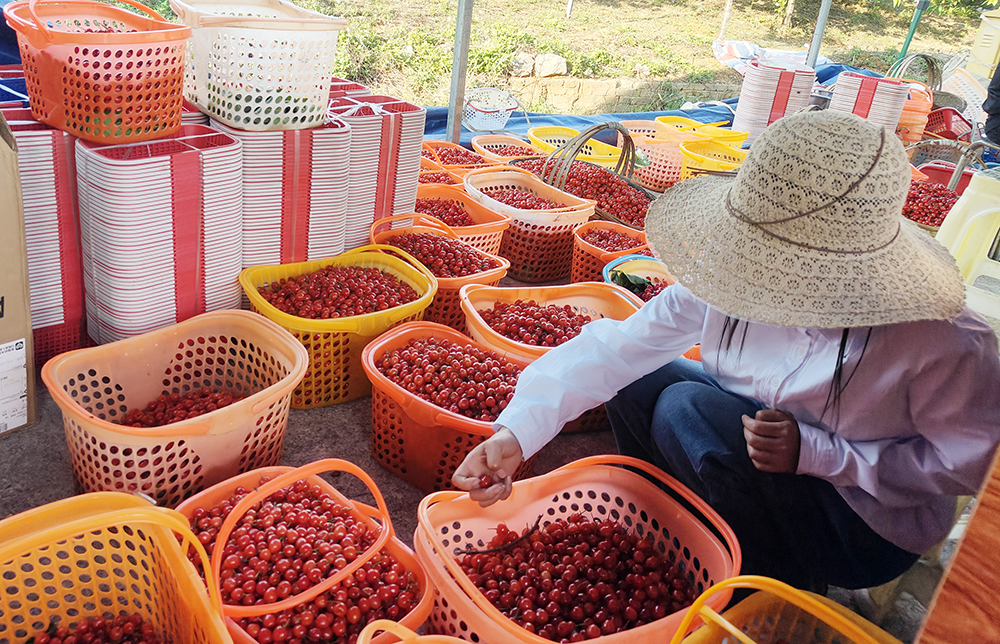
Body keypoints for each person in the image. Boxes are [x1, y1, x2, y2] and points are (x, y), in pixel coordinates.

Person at [452, 110, 1000, 592]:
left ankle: (770, 580)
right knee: (641, 379)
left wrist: (817, 453)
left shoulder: (943, 341)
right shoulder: (735, 274)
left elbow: (968, 467)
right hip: (753, 444)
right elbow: (620, 347)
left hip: (860, 521)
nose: (770, 278)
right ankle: (674, 526)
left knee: (686, 409)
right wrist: (516, 432)